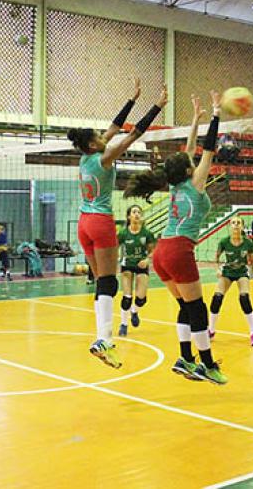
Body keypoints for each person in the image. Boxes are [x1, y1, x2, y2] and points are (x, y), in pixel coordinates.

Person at [124, 92, 228, 385]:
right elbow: (208, 150)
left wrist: (195, 119)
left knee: (186, 306)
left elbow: (191, 149)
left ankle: (185, 359)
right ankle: (207, 364)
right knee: (198, 309)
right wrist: (216, 114)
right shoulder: (195, 183)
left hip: (161, 252)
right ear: (188, 170)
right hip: (179, 250)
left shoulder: (176, 184)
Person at [68, 79, 166, 370]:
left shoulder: (85, 158)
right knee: (109, 282)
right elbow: (133, 134)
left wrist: (132, 99)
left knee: (101, 281)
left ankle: (101, 337)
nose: (105, 135)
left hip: (84, 223)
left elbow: (115, 125)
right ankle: (104, 340)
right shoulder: (104, 158)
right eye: (99, 136)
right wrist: (157, 106)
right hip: (100, 223)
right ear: (92, 144)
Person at [207, 215, 253, 346]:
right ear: (230, 226)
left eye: (238, 223)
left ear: (242, 226)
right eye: (233, 223)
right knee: (217, 298)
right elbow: (216, 258)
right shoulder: (224, 242)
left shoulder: (248, 243)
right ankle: (211, 330)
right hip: (227, 272)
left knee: (244, 298)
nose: (236, 225)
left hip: (242, 272)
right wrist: (217, 269)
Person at [117, 204, 156, 337]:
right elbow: (114, 247)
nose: (137, 214)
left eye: (139, 212)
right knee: (127, 298)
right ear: (129, 216)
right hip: (127, 265)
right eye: (134, 212)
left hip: (141, 265)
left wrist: (147, 260)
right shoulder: (123, 233)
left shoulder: (147, 233)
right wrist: (115, 259)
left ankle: (134, 311)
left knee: (141, 299)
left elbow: (152, 251)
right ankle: (123, 324)